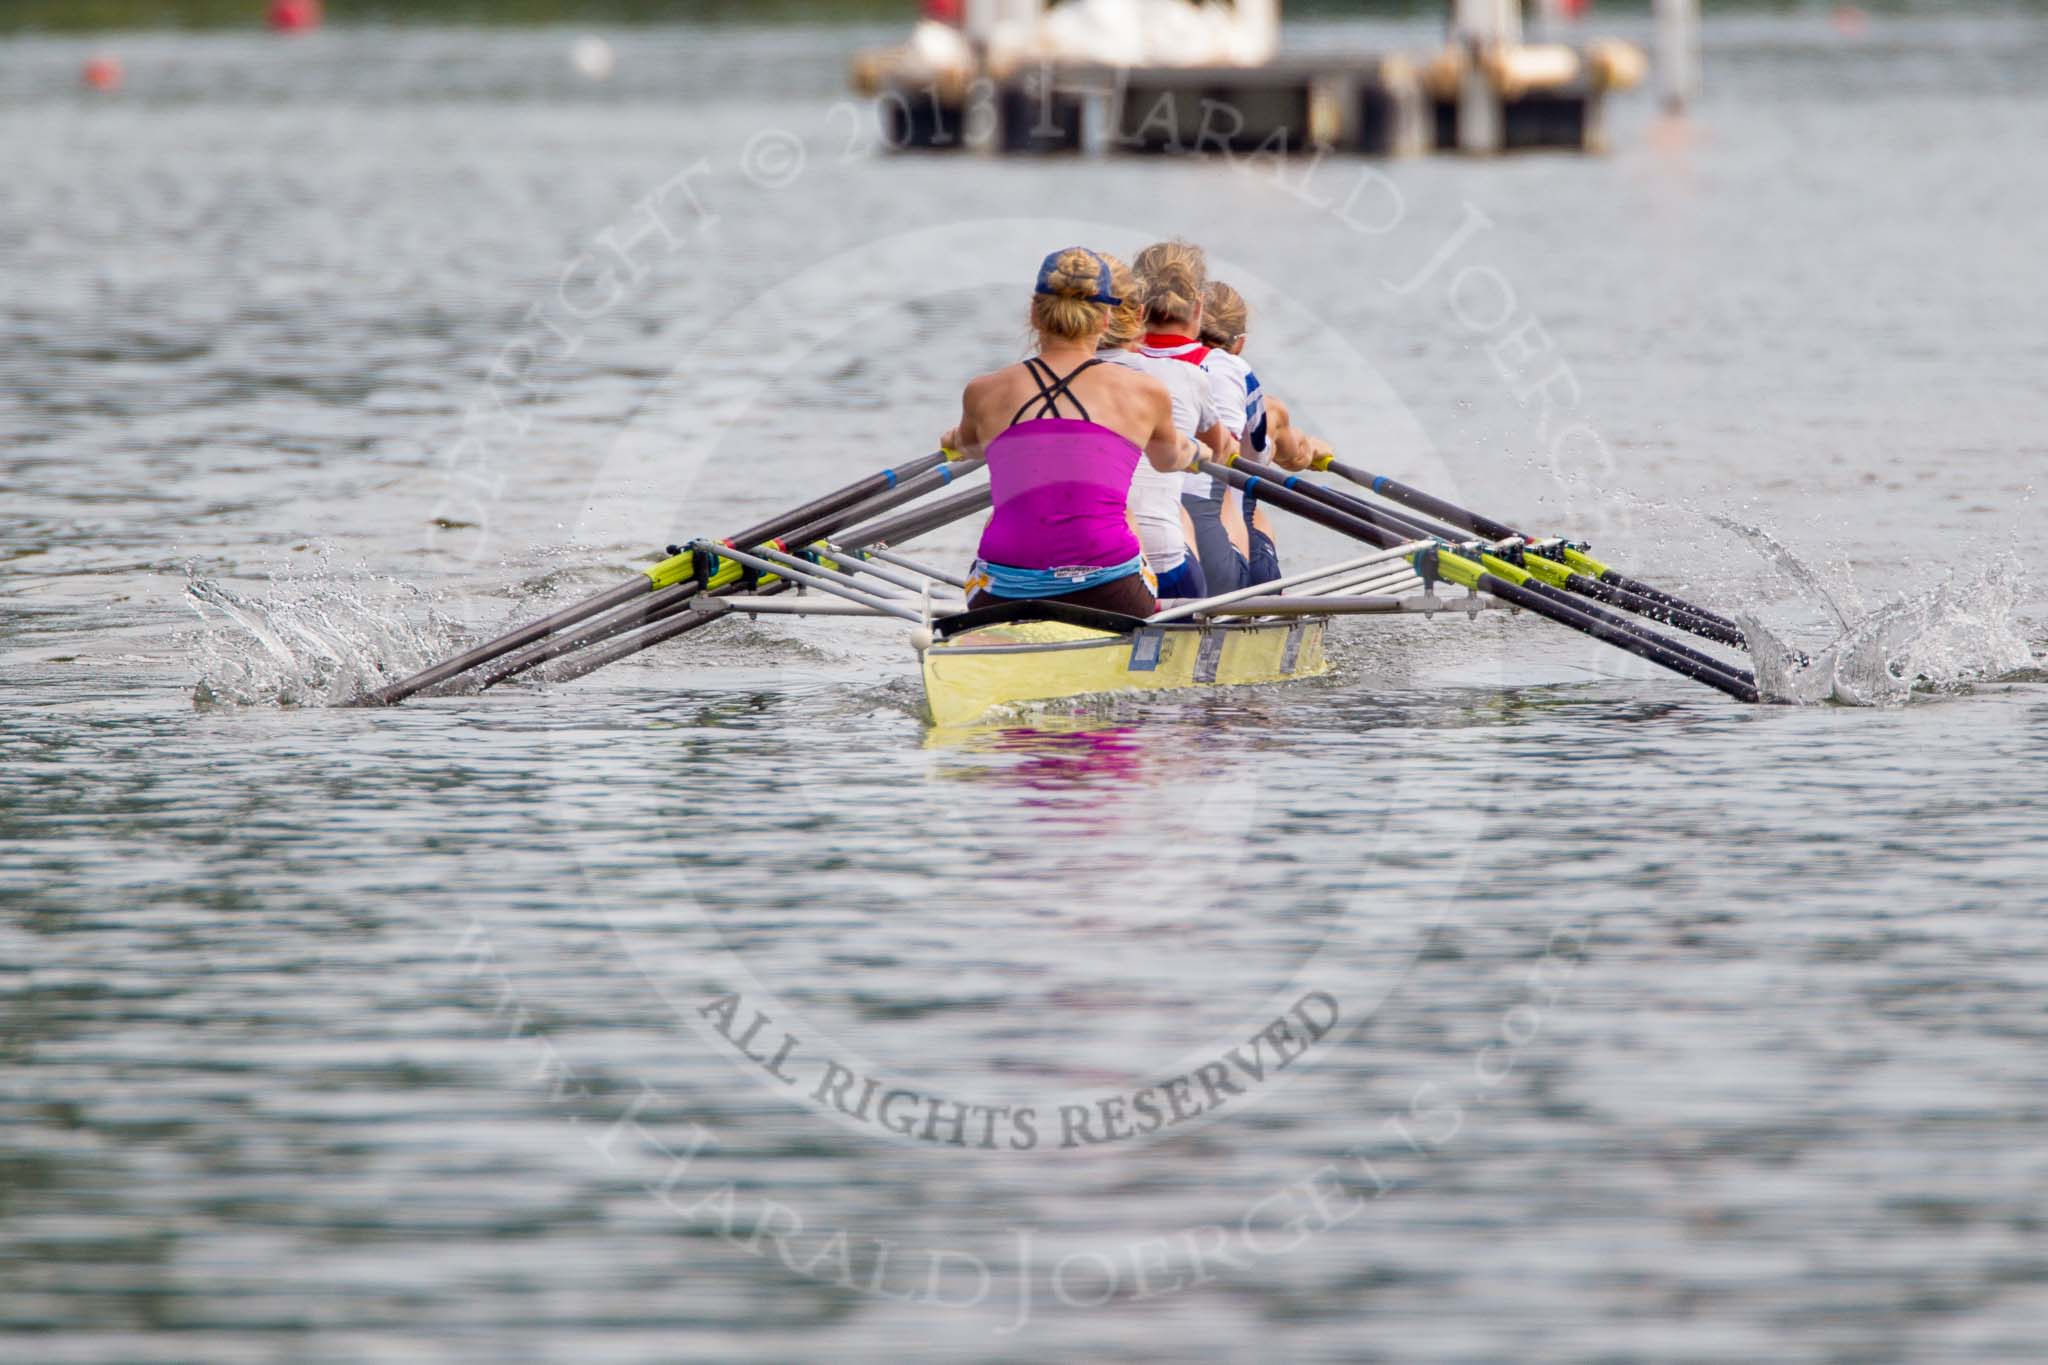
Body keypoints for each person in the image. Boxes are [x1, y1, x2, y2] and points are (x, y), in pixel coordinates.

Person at [941, 247, 1198, 617]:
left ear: (1034, 313)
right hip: (1111, 590)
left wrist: (951, 439)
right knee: (1122, 515)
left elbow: (968, 447)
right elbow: (1167, 460)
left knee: (1001, 518)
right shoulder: (1146, 392)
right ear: (1106, 318)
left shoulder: (983, 391)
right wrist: (1194, 452)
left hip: (1005, 592)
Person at [1129, 243, 1314, 594]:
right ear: (1197, 306)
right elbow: (1238, 455)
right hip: (1205, 557)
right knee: (1242, 489)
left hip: (1123, 544)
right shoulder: (1224, 368)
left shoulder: (1110, 364)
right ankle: (1255, 605)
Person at [1092, 253, 1236, 601]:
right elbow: (1223, 450)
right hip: (1157, 566)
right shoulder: (1182, 376)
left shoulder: (1032, 380)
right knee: (1204, 506)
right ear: (1140, 315)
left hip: (1058, 561)